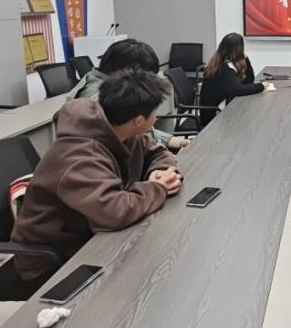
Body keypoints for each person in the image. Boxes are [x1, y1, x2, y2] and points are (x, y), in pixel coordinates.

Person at [11, 70, 182, 281]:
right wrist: (158, 188)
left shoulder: (121, 128)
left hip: (89, 234)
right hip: (51, 257)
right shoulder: (79, 156)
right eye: (154, 113)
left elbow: (157, 152)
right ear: (139, 120)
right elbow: (114, 212)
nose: (156, 118)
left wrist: (159, 172)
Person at [71, 38, 189, 151]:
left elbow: (135, 128)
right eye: (145, 77)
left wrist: (172, 140)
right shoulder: (97, 99)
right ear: (127, 73)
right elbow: (129, 134)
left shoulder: (113, 88)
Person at [199, 33, 273, 126]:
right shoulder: (224, 69)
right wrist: (261, 86)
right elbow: (237, 89)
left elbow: (249, 80)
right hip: (214, 119)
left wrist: (246, 58)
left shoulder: (220, 62)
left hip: (218, 110)